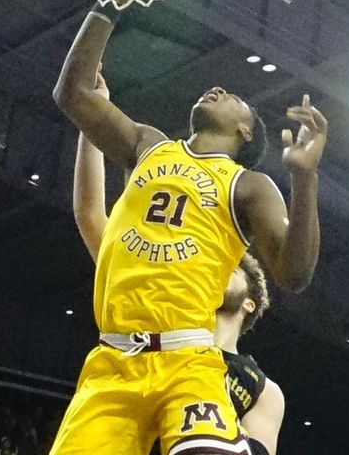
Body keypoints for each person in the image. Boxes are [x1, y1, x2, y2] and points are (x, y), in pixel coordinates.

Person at [51, 1, 326, 455]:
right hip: (112, 363)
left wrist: (303, 178)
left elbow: (295, 275)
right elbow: (73, 94)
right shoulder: (148, 144)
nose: (216, 88)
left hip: (187, 359)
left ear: (244, 131)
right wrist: (108, 7)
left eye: (233, 97)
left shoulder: (248, 185)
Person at [71, 77, 285, 455]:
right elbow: (91, 217)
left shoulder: (259, 386)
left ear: (249, 300)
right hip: (124, 372)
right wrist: (93, 125)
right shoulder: (149, 271)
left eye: (231, 269)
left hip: (192, 374)